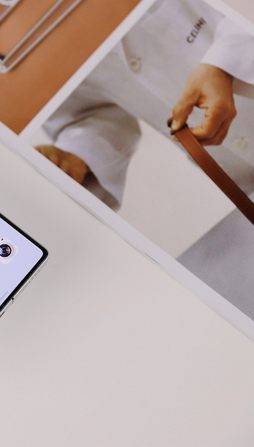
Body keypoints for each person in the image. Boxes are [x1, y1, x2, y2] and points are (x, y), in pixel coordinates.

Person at [35, 0, 254, 312]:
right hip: (239, 177)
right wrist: (74, 156)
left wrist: (223, 64)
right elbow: (90, 111)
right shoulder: (27, 35)